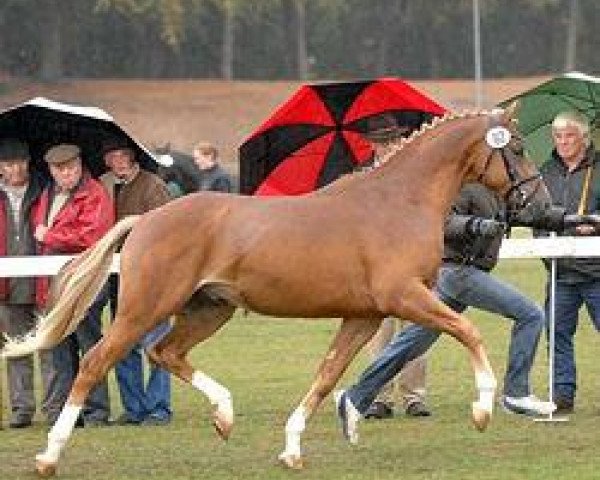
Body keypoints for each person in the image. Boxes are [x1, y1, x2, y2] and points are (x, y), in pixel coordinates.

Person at [336, 183, 557, 440]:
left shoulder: (497, 191)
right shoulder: (461, 186)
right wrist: (476, 225)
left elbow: (525, 215)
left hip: (458, 277)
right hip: (460, 273)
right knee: (530, 315)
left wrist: (569, 220)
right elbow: (444, 220)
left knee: (410, 344)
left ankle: (354, 397)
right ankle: (516, 393)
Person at [31, 143, 114, 427]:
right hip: (53, 283)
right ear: (52, 171)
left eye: (70, 168)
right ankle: (65, 412)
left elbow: (92, 235)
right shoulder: (47, 194)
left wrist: (50, 236)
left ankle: (96, 411)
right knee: (59, 350)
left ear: (80, 166)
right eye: (59, 169)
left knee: (89, 345)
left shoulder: (95, 194)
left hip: (85, 283)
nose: (65, 174)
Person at [99, 137, 173, 426]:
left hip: (153, 277)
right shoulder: (104, 186)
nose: (118, 161)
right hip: (120, 276)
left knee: (155, 342)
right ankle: (133, 408)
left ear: (131, 156)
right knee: (123, 344)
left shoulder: (153, 185)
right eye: (112, 156)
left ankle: (158, 408)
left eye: (122, 154)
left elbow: (165, 228)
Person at [361, 120, 431, 420]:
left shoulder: (417, 178)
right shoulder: (363, 179)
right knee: (380, 333)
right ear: (373, 146)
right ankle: (380, 396)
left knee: (415, 332)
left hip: (411, 264)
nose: (391, 146)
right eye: (385, 141)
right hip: (376, 268)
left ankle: (414, 396)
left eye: (396, 140)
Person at [535, 110, 600, 415]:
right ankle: (562, 394)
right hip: (561, 271)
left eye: (570, 135)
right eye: (558, 136)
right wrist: (547, 249)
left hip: (597, 271)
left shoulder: (597, 169)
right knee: (557, 332)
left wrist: (596, 226)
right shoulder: (545, 171)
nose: (563, 142)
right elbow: (537, 215)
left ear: (584, 138)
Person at [0, 138, 51, 428]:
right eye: (8, 164)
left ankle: (54, 408)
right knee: (16, 348)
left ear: (29, 163)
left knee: (49, 348)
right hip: (7, 285)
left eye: (20, 162)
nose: (15, 169)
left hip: (44, 281)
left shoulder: (46, 190)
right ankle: (22, 410)